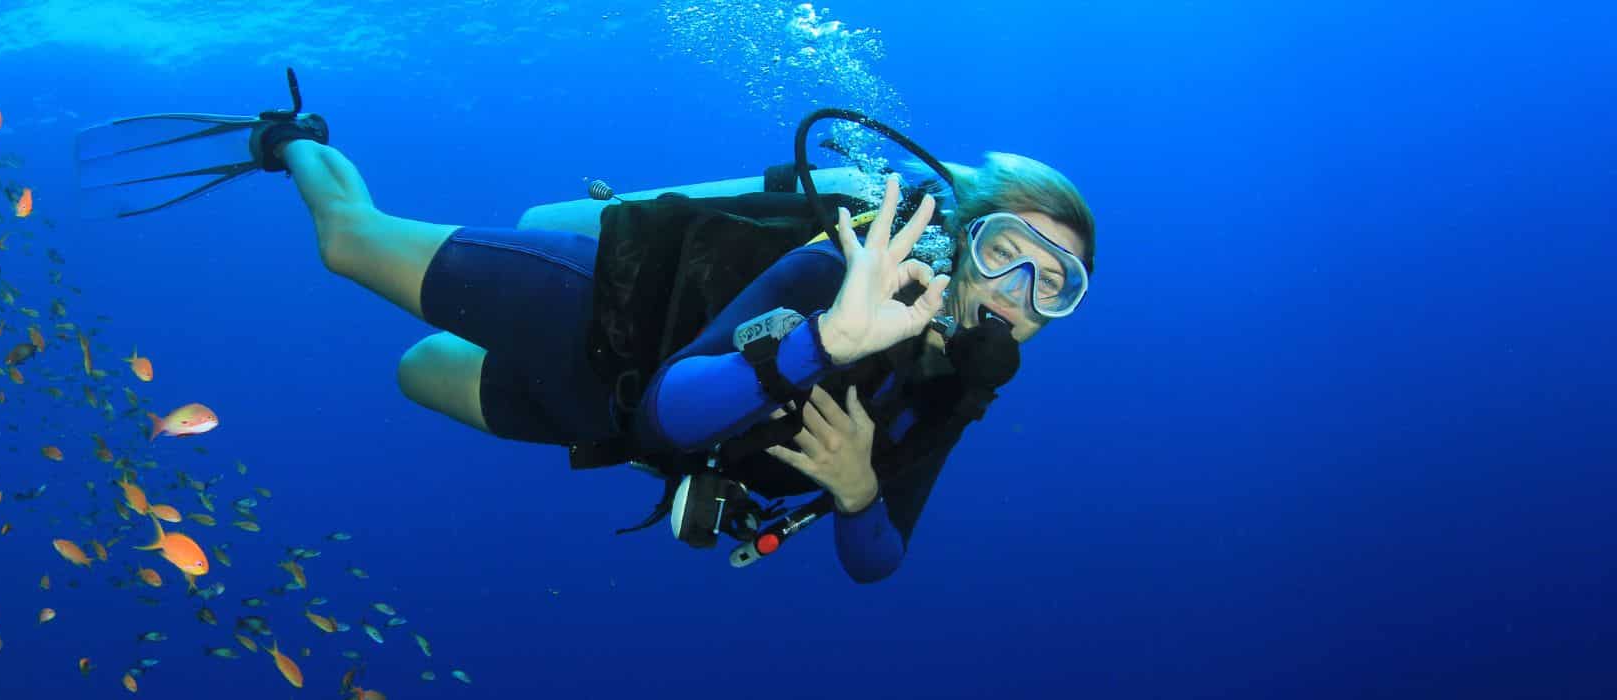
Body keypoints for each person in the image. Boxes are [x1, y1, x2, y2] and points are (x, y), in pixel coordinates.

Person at [74, 82, 1095, 583]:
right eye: (1008, 250)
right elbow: (672, 405)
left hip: (599, 413)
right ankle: (289, 136)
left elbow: (877, 561)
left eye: (1057, 285)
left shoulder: (949, 390)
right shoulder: (839, 268)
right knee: (349, 245)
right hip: (602, 314)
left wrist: (863, 485)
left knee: (413, 372)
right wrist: (822, 341)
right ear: (959, 240)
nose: (1019, 292)